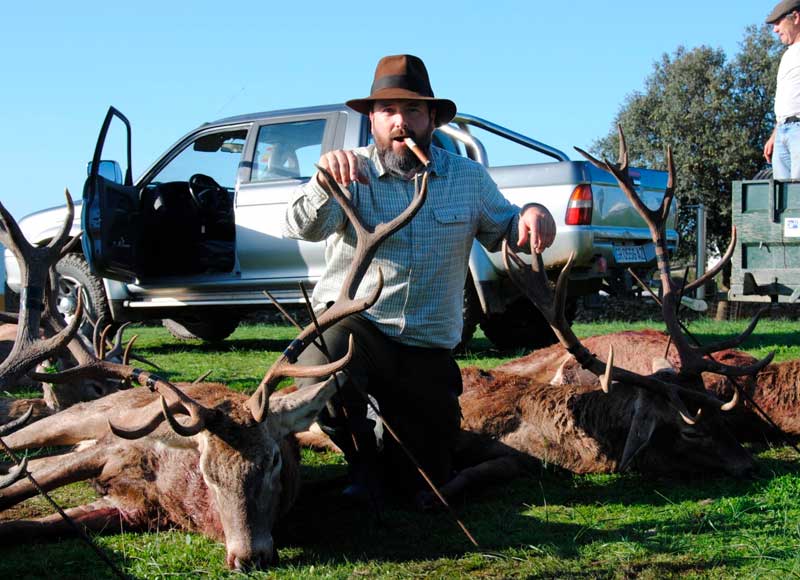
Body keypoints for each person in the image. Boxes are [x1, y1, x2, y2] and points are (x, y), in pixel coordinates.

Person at [284, 54, 556, 504]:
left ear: (432, 118)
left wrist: (533, 214)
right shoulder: (348, 173)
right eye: (388, 111)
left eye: (412, 111)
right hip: (359, 329)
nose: (400, 122)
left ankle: (395, 448)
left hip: (427, 348)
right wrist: (322, 181)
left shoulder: (467, 179)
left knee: (422, 478)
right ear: (371, 119)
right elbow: (302, 227)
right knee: (320, 350)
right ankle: (360, 464)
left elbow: (507, 229)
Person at [764, 0, 800, 179]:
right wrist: (774, 135)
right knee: (782, 201)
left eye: (778, 23)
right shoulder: (787, 55)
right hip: (783, 131)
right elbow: (788, 100)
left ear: (795, 17)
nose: (775, 29)